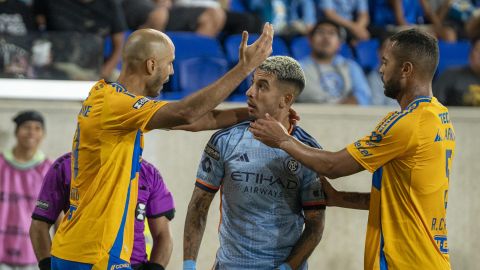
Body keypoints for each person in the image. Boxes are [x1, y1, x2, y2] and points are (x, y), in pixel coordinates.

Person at [50, 24, 274, 270]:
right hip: (94, 253)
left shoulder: (106, 95)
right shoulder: (116, 105)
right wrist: (244, 68)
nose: (172, 71)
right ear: (151, 65)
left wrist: (256, 114)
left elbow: (201, 119)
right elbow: (187, 113)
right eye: (169, 63)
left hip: (77, 249)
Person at [251, 29, 455, 269]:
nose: (380, 70)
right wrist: (338, 198)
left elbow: (333, 166)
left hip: (404, 262)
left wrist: (283, 140)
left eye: (385, 63)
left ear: (406, 70)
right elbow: (401, 202)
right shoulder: (439, 116)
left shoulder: (407, 123)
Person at [183, 56, 326, 270]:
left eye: (262, 86)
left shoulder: (308, 151)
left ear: (285, 100)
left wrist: (286, 268)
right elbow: (198, 207)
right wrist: (188, 265)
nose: (250, 92)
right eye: (252, 83)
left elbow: (315, 226)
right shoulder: (225, 140)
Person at [30, 153, 174, 270]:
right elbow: (39, 226)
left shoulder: (148, 173)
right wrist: (48, 266)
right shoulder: (66, 166)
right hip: (78, 263)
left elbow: (163, 234)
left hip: (133, 264)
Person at [0, 110, 51, 270]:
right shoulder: (1, 164)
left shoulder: (49, 169)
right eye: (26, 127)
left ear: (43, 134)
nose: (31, 133)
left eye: (37, 128)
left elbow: (59, 217)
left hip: (33, 256)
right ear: (16, 132)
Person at [297, 20, 371, 105]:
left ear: (339, 44)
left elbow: (364, 95)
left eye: (331, 33)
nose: (326, 37)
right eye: (320, 32)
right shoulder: (298, 68)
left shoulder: (350, 66)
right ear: (310, 40)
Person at [433, 36, 480, 106]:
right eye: (477, 50)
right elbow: (434, 103)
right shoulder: (450, 74)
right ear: (470, 54)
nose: (478, 56)